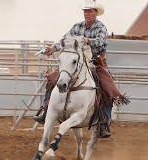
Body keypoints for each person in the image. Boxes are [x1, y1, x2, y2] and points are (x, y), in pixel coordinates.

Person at [34, 0, 129, 138]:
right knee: (53, 80)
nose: (87, 13)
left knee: (108, 88)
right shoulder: (77, 26)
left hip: (96, 62)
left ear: (95, 12)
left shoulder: (101, 27)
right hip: (76, 62)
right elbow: (65, 40)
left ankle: (104, 122)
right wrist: (52, 48)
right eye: (85, 11)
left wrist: (88, 40)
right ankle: (46, 110)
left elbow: (102, 42)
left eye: (90, 11)